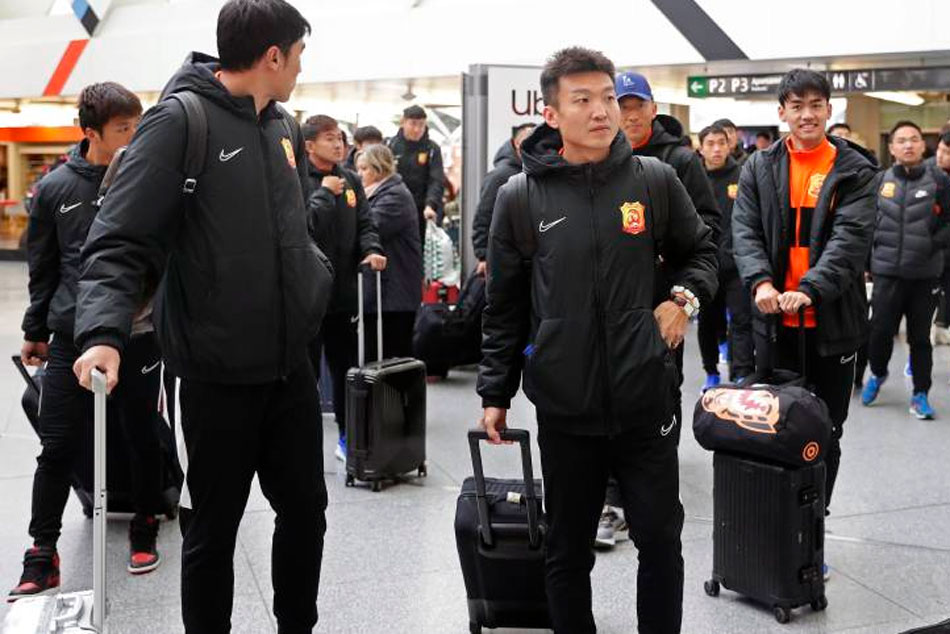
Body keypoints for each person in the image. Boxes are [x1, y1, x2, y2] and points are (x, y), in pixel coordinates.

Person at [70, 2, 335, 631]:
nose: (302, 67)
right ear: (274, 55)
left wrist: (312, 278)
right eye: (299, 54)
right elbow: (119, 240)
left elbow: (295, 228)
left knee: (306, 513)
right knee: (212, 529)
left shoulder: (283, 127)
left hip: (289, 367)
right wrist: (103, 333)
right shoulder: (178, 122)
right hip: (215, 374)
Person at [477, 46, 717, 634]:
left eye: (607, 97)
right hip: (566, 405)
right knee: (567, 548)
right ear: (551, 113)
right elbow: (504, 306)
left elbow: (704, 253)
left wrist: (682, 301)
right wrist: (494, 392)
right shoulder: (520, 196)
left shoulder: (654, 180)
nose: (601, 111)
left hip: (647, 397)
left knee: (659, 541)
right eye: (582, 99)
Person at [8, 82, 165, 601]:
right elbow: (44, 267)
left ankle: (145, 522)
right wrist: (35, 329)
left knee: (142, 434)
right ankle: (42, 551)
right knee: (57, 445)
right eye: (123, 128)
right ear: (90, 132)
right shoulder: (54, 188)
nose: (133, 136)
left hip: (138, 333)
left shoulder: (146, 179)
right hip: (71, 334)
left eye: (137, 125)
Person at [732, 70, 877, 558]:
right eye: (797, 105)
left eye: (816, 104)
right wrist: (761, 282)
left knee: (825, 431)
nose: (807, 114)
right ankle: (774, 525)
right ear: (782, 112)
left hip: (831, 326)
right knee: (772, 427)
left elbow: (849, 243)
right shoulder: (759, 166)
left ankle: (813, 528)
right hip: (774, 325)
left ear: (829, 110)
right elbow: (745, 231)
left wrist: (810, 289)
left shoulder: (855, 170)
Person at [597, 69, 720, 548]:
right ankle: (612, 499)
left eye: (637, 106)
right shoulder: (600, 157)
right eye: (621, 106)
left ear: (653, 109)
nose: (629, 116)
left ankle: (653, 491)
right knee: (608, 395)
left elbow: (707, 231)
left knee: (660, 393)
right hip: (610, 306)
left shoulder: (680, 161)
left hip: (664, 303)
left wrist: (680, 294)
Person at [304, 114, 385, 461]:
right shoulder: (297, 179)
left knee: (345, 368)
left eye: (339, 138)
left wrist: (372, 249)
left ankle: (347, 435)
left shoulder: (350, 179)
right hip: (307, 296)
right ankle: (302, 442)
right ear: (309, 145)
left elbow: (366, 223)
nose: (338, 144)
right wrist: (324, 193)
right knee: (305, 373)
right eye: (329, 138)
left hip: (345, 294)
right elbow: (303, 227)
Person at [861, 120, 950, 419]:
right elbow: (866, 224)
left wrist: (932, 243)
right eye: (901, 140)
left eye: (913, 139)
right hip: (886, 272)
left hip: (925, 275)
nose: (908, 145)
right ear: (892, 148)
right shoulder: (880, 181)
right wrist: (867, 263)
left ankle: (920, 394)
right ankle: (878, 373)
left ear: (923, 145)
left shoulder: (939, 181)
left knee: (920, 338)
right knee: (879, 332)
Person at [696, 123, 754, 389]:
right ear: (701, 148)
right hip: (705, 266)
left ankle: (741, 374)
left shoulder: (742, 175)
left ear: (730, 145)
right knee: (708, 322)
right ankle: (711, 372)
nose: (716, 149)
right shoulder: (693, 178)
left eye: (721, 143)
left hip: (737, 263)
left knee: (742, 321)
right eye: (710, 144)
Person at [355, 144, 423, 359]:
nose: (359, 175)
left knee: (392, 358)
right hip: (385, 293)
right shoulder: (378, 193)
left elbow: (369, 227)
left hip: (394, 295)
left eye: (364, 168)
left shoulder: (394, 196)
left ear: (379, 168)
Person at [471, 123, 536, 276]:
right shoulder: (500, 176)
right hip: (505, 259)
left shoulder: (536, 173)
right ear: (517, 144)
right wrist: (483, 255)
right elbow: (484, 216)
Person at [387, 105, 445, 243]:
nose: (417, 129)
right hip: (396, 208)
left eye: (421, 125)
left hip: (423, 210)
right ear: (403, 122)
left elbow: (436, 180)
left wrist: (430, 205)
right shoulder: (391, 146)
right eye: (413, 124)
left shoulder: (432, 149)